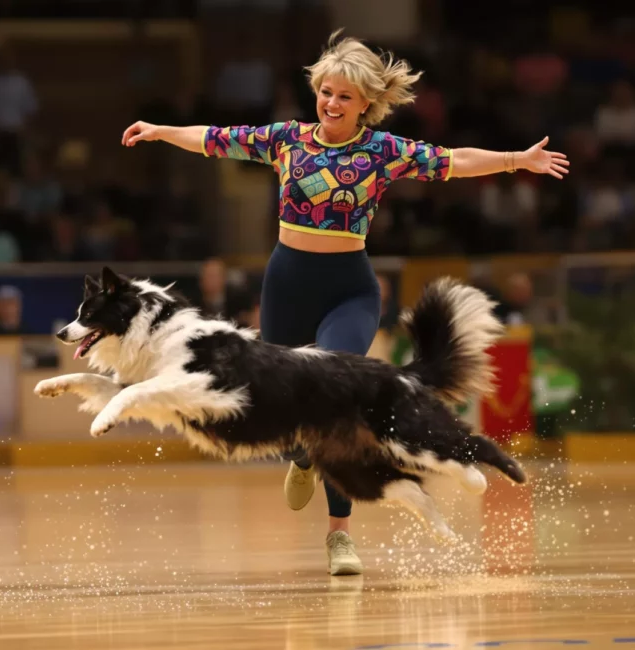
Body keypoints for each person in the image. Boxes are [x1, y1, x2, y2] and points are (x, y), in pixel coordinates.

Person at [121, 30, 569, 576]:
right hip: (286, 286)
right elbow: (216, 138)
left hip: (350, 290)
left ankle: (339, 536)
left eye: (345, 97)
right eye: (326, 92)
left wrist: (516, 159)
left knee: (340, 401)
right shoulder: (287, 139)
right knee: (286, 410)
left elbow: (454, 161)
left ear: (366, 105)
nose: (331, 104)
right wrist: (162, 130)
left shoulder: (383, 152)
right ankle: (302, 458)